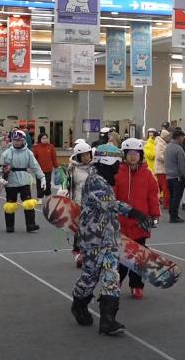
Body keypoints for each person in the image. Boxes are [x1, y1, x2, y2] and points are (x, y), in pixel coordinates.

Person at [70, 145, 153, 336]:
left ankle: (108, 320)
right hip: (93, 239)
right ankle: (79, 303)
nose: (118, 168)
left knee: (111, 277)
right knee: (90, 276)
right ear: (107, 162)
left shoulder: (103, 179)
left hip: (108, 238)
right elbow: (110, 204)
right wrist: (135, 213)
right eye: (116, 164)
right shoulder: (96, 181)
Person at [114, 138, 161, 300]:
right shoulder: (117, 173)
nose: (133, 156)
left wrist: (154, 216)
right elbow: (111, 198)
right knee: (121, 258)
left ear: (141, 155)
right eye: (129, 153)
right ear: (124, 155)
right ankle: (115, 282)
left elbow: (153, 197)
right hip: (120, 223)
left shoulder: (147, 175)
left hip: (140, 223)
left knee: (138, 257)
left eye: (136, 153)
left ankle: (136, 286)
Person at [0, 130, 46, 233]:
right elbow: (0, 167)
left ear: (23, 140)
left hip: (24, 181)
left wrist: (42, 177)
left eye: (19, 140)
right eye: (14, 140)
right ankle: (9, 226)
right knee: (10, 204)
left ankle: (30, 225)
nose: (16, 142)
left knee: (28, 203)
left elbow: (35, 166)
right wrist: (1, 176)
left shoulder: (28, 153)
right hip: (11, 181)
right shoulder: (7, 153)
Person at [66, 141, 95, 268]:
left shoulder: (95, 168)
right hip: (79, 203)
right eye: (82, 155)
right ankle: (78, 253)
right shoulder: (73, 169)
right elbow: (68, 186)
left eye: (87, 154)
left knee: (93, 230)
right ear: (78, 156)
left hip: (93, 204)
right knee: (79, 230)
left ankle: (91, 254)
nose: (86, 157)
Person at [164, 129, 185, 223]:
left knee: (172, 196)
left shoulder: (167, 147)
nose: (183, 139)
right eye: (183, 137)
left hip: (169, 176)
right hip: (178, 177)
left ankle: (171, 214)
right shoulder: (179, 149)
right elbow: (183, 165)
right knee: (177, 197)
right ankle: (174, 216)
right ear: (179, 137)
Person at [32, 133, 59, 201]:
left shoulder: (51, 147)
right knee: (39, 184)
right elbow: (33, 159)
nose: (45, 140)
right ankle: (40, 197)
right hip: (39, 170)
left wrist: (56, 167)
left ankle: (47, 196)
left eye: (46, 138)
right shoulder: (36, 147)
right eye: (43, 138)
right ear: (40, 139)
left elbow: (54, 158)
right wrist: (33, 167)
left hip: (48, 169)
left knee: (48, 183)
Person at [153, 128, 171, 210]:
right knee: (165, 187)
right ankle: (166, 204)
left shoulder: (163, 144)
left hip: (162, 169)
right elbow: (159, 156)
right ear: (164, 137)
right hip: (161, 170)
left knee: (162, 187)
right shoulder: (160, 144)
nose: (169, 138)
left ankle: (159, 202)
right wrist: (169, 159)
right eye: (168, 136)